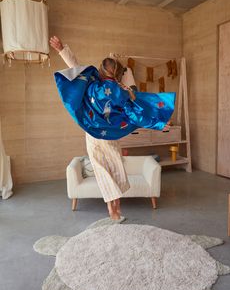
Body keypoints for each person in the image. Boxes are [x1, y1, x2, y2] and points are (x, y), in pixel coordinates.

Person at [50, 36, 175, 220]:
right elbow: (137, 114)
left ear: (100, 71)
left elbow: (75, 67)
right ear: (117, 74)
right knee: (116, 167)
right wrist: (159, 123)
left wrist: (61, 49)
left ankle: (113, 210)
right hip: (110, 136)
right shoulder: (122, 92)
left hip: (93, 135)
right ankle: (116, 208)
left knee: (102, 170)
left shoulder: (92, 84)